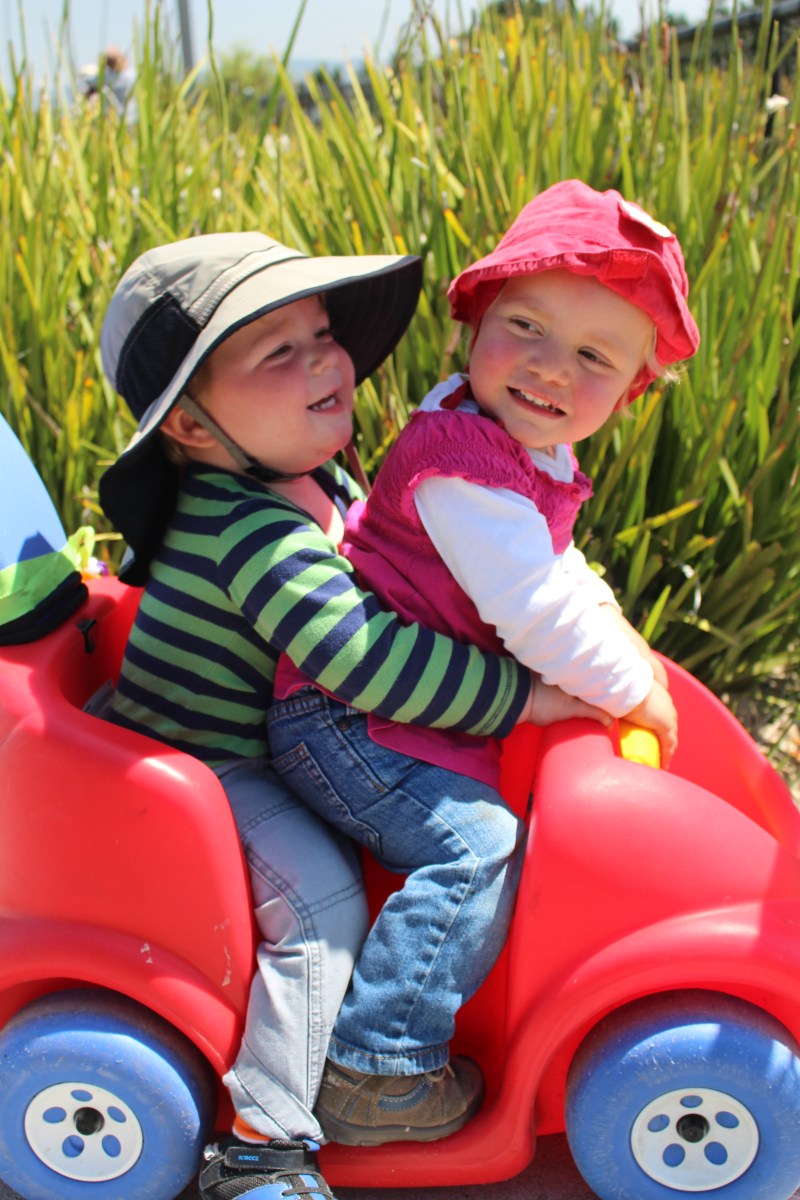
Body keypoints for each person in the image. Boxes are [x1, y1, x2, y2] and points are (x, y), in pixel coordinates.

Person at [97, 230, 604, 1199]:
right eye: (276, 353)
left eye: (322, 334)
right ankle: (275, 1137)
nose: (325, 361)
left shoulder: (312, 477)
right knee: (322, 904)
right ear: (192, 427)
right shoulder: (249, 530)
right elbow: (366, 658)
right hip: (207, 767)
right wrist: (522, 695)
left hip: (275, 736)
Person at [265, 179, 701, 1147]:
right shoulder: (462, 464)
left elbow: (557, 565)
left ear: (629, 390)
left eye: (592, 356)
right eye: (526, 327)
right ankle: (378, 1067)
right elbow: (533, 606)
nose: (548, 367)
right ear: (475, 321)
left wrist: (624, 642)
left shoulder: (518, 447)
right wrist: (630, 689)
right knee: (474, 847)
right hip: (349, 716)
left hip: (408, 710)